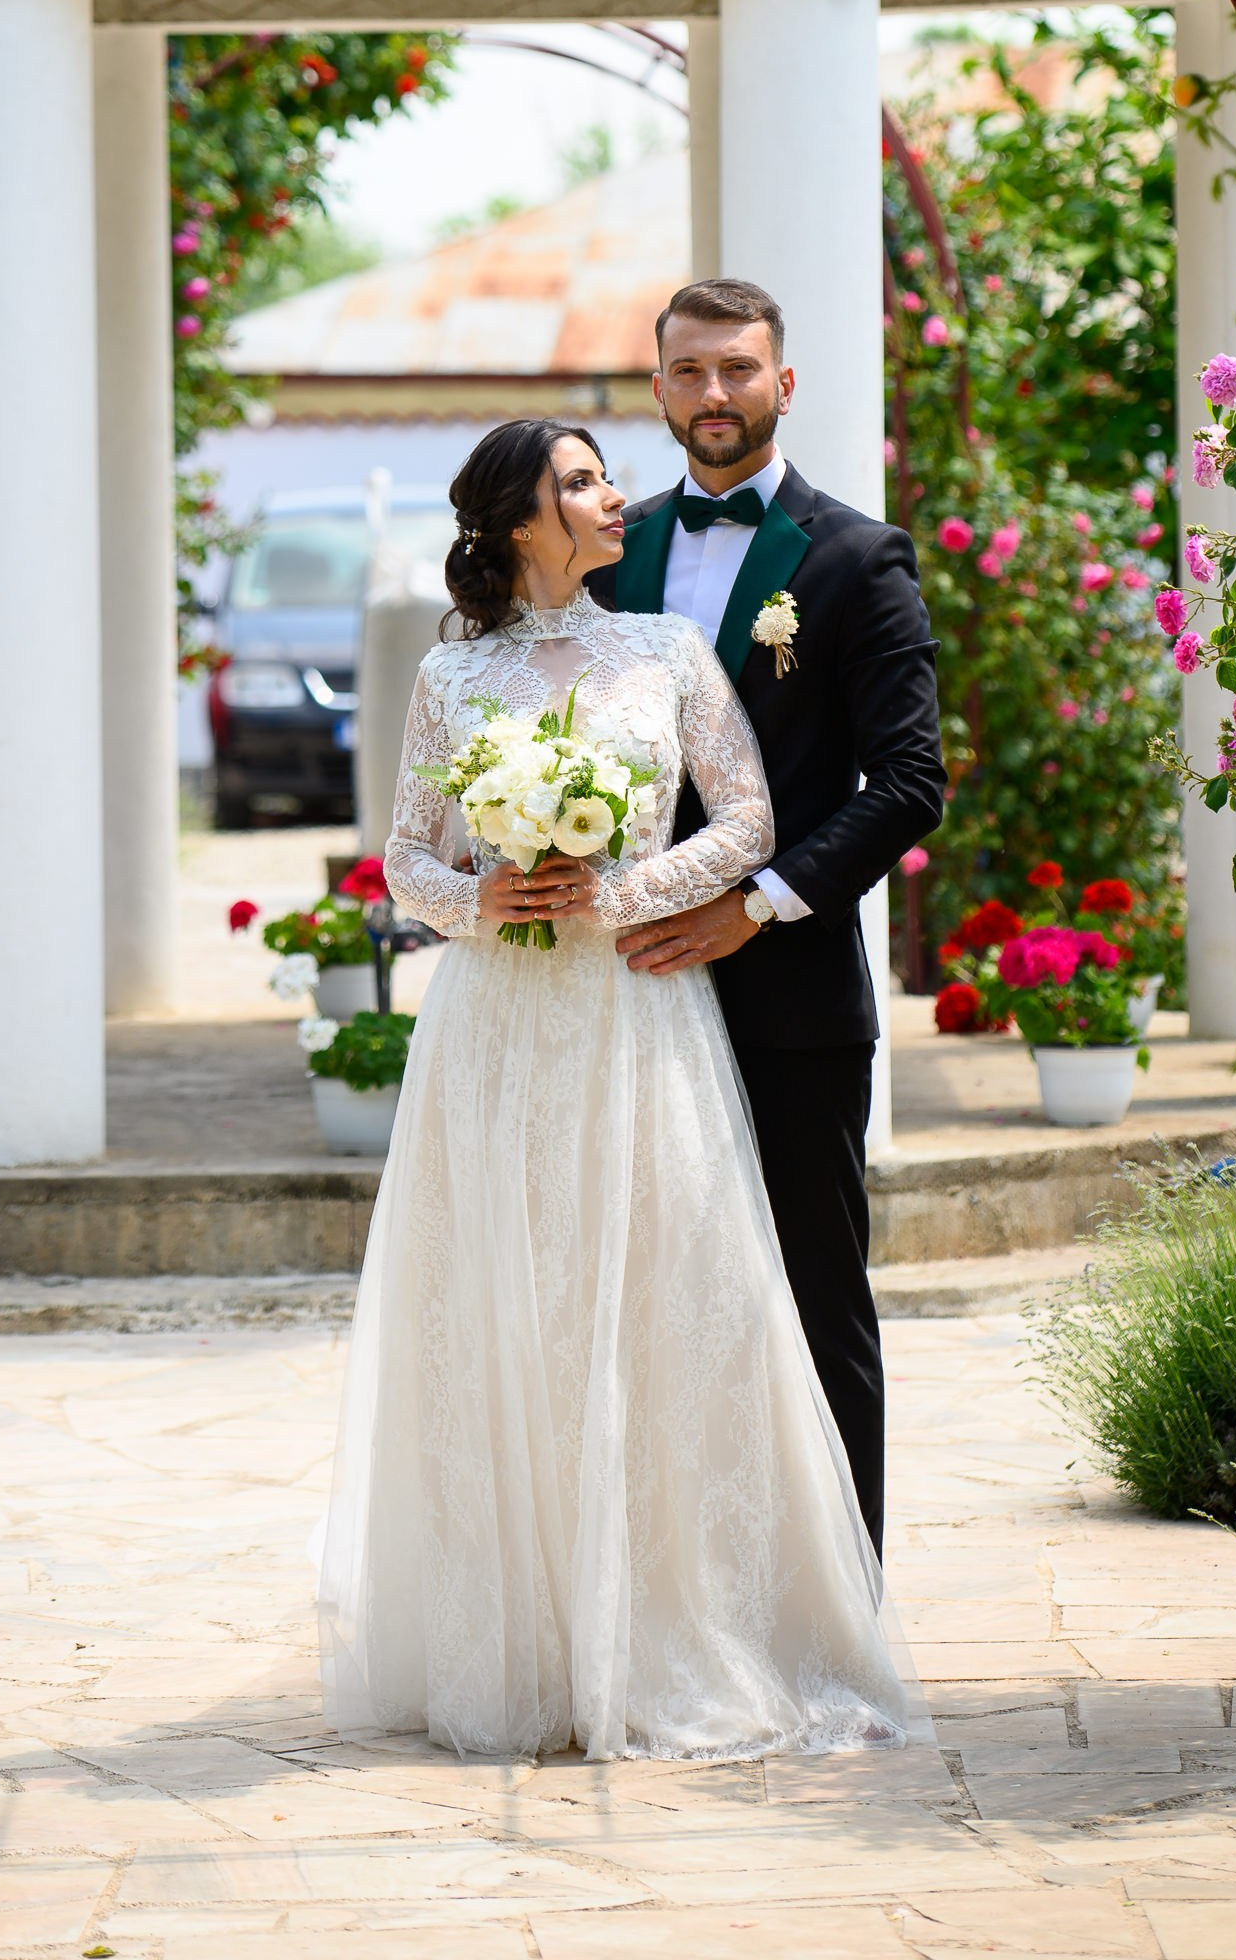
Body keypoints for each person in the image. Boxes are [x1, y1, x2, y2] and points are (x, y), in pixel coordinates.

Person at [318, 415, 910, 1764]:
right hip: (494, 1032)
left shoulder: (665, 652)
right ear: (521, 520)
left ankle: (664, 1627)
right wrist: (487, 895)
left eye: (600, 474)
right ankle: (519, 1644)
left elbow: (749, 820)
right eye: (579, 482)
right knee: (507, 1307)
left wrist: (620, 894)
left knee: (652, 1304)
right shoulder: (453, 675)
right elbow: (406, 858)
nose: (611, 494)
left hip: (640, 1015)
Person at [590, 278, 947, 1552]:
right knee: (640, 1301)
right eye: (690, 373)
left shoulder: (855, 558)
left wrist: (759, 908)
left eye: (739, 370)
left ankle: (842, 1600)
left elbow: (910, 786)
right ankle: (668, 1590)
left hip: (787, 997)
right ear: (659, 391)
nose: (715, 395)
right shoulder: (602, 549)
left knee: (811, 1299)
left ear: (782, 384)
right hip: (618, 989)